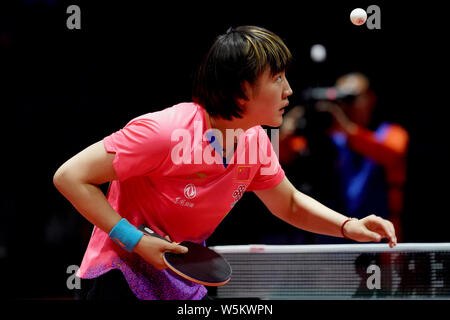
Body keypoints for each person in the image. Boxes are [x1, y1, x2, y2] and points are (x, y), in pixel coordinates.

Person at [53, 26, 397, 300]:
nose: (289, 90)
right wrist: (135, 240)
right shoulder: (165, 132)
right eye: (277, 78)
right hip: (121, 275)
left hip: (182, 276)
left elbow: (288, 203)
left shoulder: (253, 140)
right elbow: (70, 176)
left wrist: (347, 226)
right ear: (242, 88)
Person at [280, 72, 408, 243]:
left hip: (382, 235)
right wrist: (288, 130)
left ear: (370, 98)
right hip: (337, 234)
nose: (347, 106)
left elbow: (393, 153)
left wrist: (347, 130)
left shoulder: (391, 132)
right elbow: (275, 159)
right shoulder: (328, 138)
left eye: (352, 98)